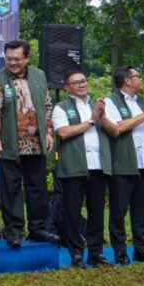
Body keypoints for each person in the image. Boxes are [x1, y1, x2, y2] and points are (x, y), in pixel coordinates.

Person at [0, 39, 59, 248]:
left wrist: (48, 132)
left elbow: (46, 105)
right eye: (9, 59)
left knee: (37, 188)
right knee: (11, 189)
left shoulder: (39, 75)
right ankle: (14, 232)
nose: (13, 63)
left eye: (17, 59)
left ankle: (38, 229)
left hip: (36, 142)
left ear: (27, 58)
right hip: (10, 143)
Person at [52, 70, 116, 268]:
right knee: (72, 213)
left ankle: (95, 254)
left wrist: (100, 115)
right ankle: (76, 254)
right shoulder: (61, 108)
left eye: (83, 81)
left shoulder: (99, 106)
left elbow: (114, 130)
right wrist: (91, 120)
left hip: (97, 166)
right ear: (67, 87)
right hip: (73, 167)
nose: (81, 84)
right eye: (76, 82)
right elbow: (63, 133)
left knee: (97, 212)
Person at [103, 66, 144, 264]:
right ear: (127, 81)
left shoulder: (142, 103)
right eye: (138, 76)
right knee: (119, 211)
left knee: (142, 211)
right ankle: (120, 252)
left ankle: (142, 250)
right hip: (123, 164)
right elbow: (118, 128)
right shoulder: (110, 101)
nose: (141, 79)